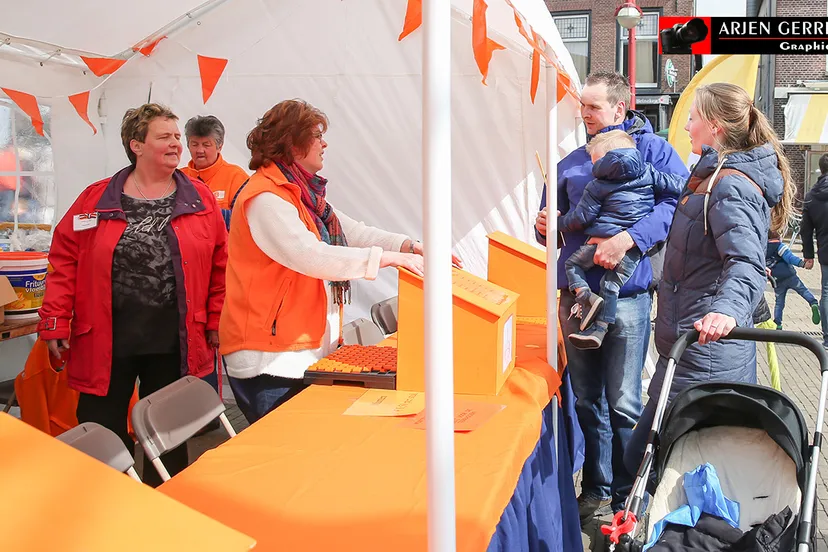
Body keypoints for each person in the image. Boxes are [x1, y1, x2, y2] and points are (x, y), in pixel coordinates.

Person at [219, 99, 461, 424]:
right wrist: (387, 259)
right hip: (270, 360)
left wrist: (413, 246)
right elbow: (312, 256)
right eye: (316, 135)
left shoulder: (303, 195)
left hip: (299, 352)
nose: (324, 143)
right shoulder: (265, 199)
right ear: (292, 143)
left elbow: (355, 232)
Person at [38, 103, 228, 486]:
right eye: (165, 137)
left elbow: (221, 265)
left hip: (174, 339)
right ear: (136, 145)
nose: (177, 144)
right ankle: (106, 504)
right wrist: (55, 322)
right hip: (105, 340)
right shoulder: (94, 199)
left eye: (178, 136)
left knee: (171, 435)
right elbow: (64, 261)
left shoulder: (201, 199)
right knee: (102, 432)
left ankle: (168, 508)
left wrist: (216, 319)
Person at [535, 71, 689, 519]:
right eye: (582, 106)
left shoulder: (653, 151)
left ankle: (628, 497)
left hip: (628, 297)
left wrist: (629, 239)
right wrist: (544, 224)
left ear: (620, 108)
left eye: (593, 106)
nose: (584, 113)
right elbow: (549, 220)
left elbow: (676, 205)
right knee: (586, 399)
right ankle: (596, 491)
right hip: (578, 298)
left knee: (624, 402)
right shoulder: (569, 161)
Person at [624, 82, 794, 486]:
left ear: (715, 126)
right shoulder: (710, 175)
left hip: (705, 355)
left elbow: (747, 263)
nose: (687, 126)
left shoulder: (729, 184)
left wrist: (726, 311)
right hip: (685, 352)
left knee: (666, 470)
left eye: (694, 118)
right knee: (649, 464)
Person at [559, 130, 684, 349]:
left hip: (599, 241)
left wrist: (557, 224)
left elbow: (582, 217)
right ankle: (599, 329)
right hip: (634, 251)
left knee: (573, 264)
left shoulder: (597, 185)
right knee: (611, 285)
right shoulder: (648, 172)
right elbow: (678, 187)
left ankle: (585, 296)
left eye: (595, 161)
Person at [181, 115, 249, 228]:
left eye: (206, 145)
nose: (200, 150)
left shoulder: (236, 177)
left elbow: (244, 220)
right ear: (188, 145)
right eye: (194, 144)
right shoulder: (177, 178)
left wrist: (203, 213)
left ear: (220, 146)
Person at [801, 153, 828, 350]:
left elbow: (805, 229)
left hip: (825, 251)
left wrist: (808, 255)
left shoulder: (811, 197)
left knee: (826, 293)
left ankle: (827, 339)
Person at [767, 229, 819, 330]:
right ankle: (813, 303)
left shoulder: (764, 249)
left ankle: (778, 323)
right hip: (790, 276)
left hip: (777, 280)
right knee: (803, 291)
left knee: (779, 302)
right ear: (779, 236)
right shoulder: (779, 246)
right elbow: (790, 258)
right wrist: (803, 264)